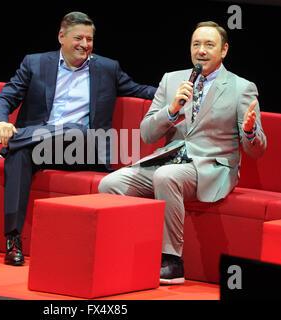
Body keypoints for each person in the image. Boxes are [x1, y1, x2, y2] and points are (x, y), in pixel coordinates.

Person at [98, 21, 267, 284]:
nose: (201, 50)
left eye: (209, 45)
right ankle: (125, 253)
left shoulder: (241, 87)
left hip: (212, 166)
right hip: (168, 159)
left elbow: (257, 150)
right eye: (196, 44)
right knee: (110, 183)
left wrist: (249, 131)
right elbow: (146, 133)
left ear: (223, 50)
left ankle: (172, 261)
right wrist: (171, 110)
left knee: (167, 177)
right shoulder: (172, 80)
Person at [0, 12, 157, 266]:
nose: (85, 45)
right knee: (18, 154)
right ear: (61, 37)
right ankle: (13, 241)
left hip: (82, 149)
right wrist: (1, 122)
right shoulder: (34, 63)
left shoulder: (107, 68)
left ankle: (16, 138)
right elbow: (4, 98)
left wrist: (173, 93)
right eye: (78, 37)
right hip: (39, 148)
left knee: (75, 131)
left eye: (89, 39)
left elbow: (141, 90)